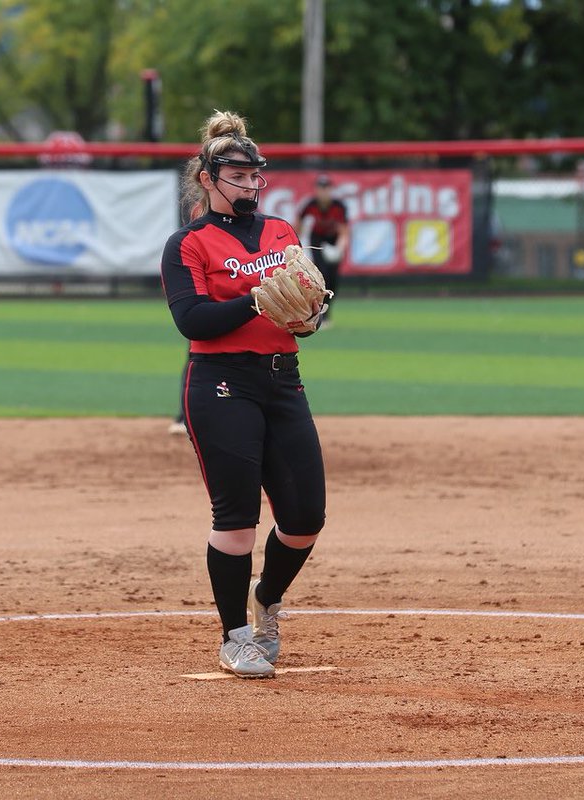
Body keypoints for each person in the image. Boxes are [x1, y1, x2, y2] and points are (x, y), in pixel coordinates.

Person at [159, 110, 327, 678]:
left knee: (305, 518)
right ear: (207, 178)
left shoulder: (281, 231)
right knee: (236, 519)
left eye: (256, 175)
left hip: (284, 379)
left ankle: (266, 599)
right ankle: (235, 637)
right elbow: (194, 320)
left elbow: (300, 304)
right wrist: (258, 299)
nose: (251, 184)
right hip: (221, 383)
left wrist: (308, 315)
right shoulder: (188, 242)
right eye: (237, 175)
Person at [295, 173, 349, 324]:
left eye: (327, 188)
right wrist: (294, 245)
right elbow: (297, 224)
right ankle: (317, 311)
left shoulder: (339, 206)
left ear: (331, 189)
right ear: (316, 190)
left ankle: (327, 311)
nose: (323, 192)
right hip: (317, 239)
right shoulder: (310, 204)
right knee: (321, 275)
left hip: (333, 240)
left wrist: (339, 249)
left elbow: (344, 232)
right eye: (321, 188)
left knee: (333, 279)